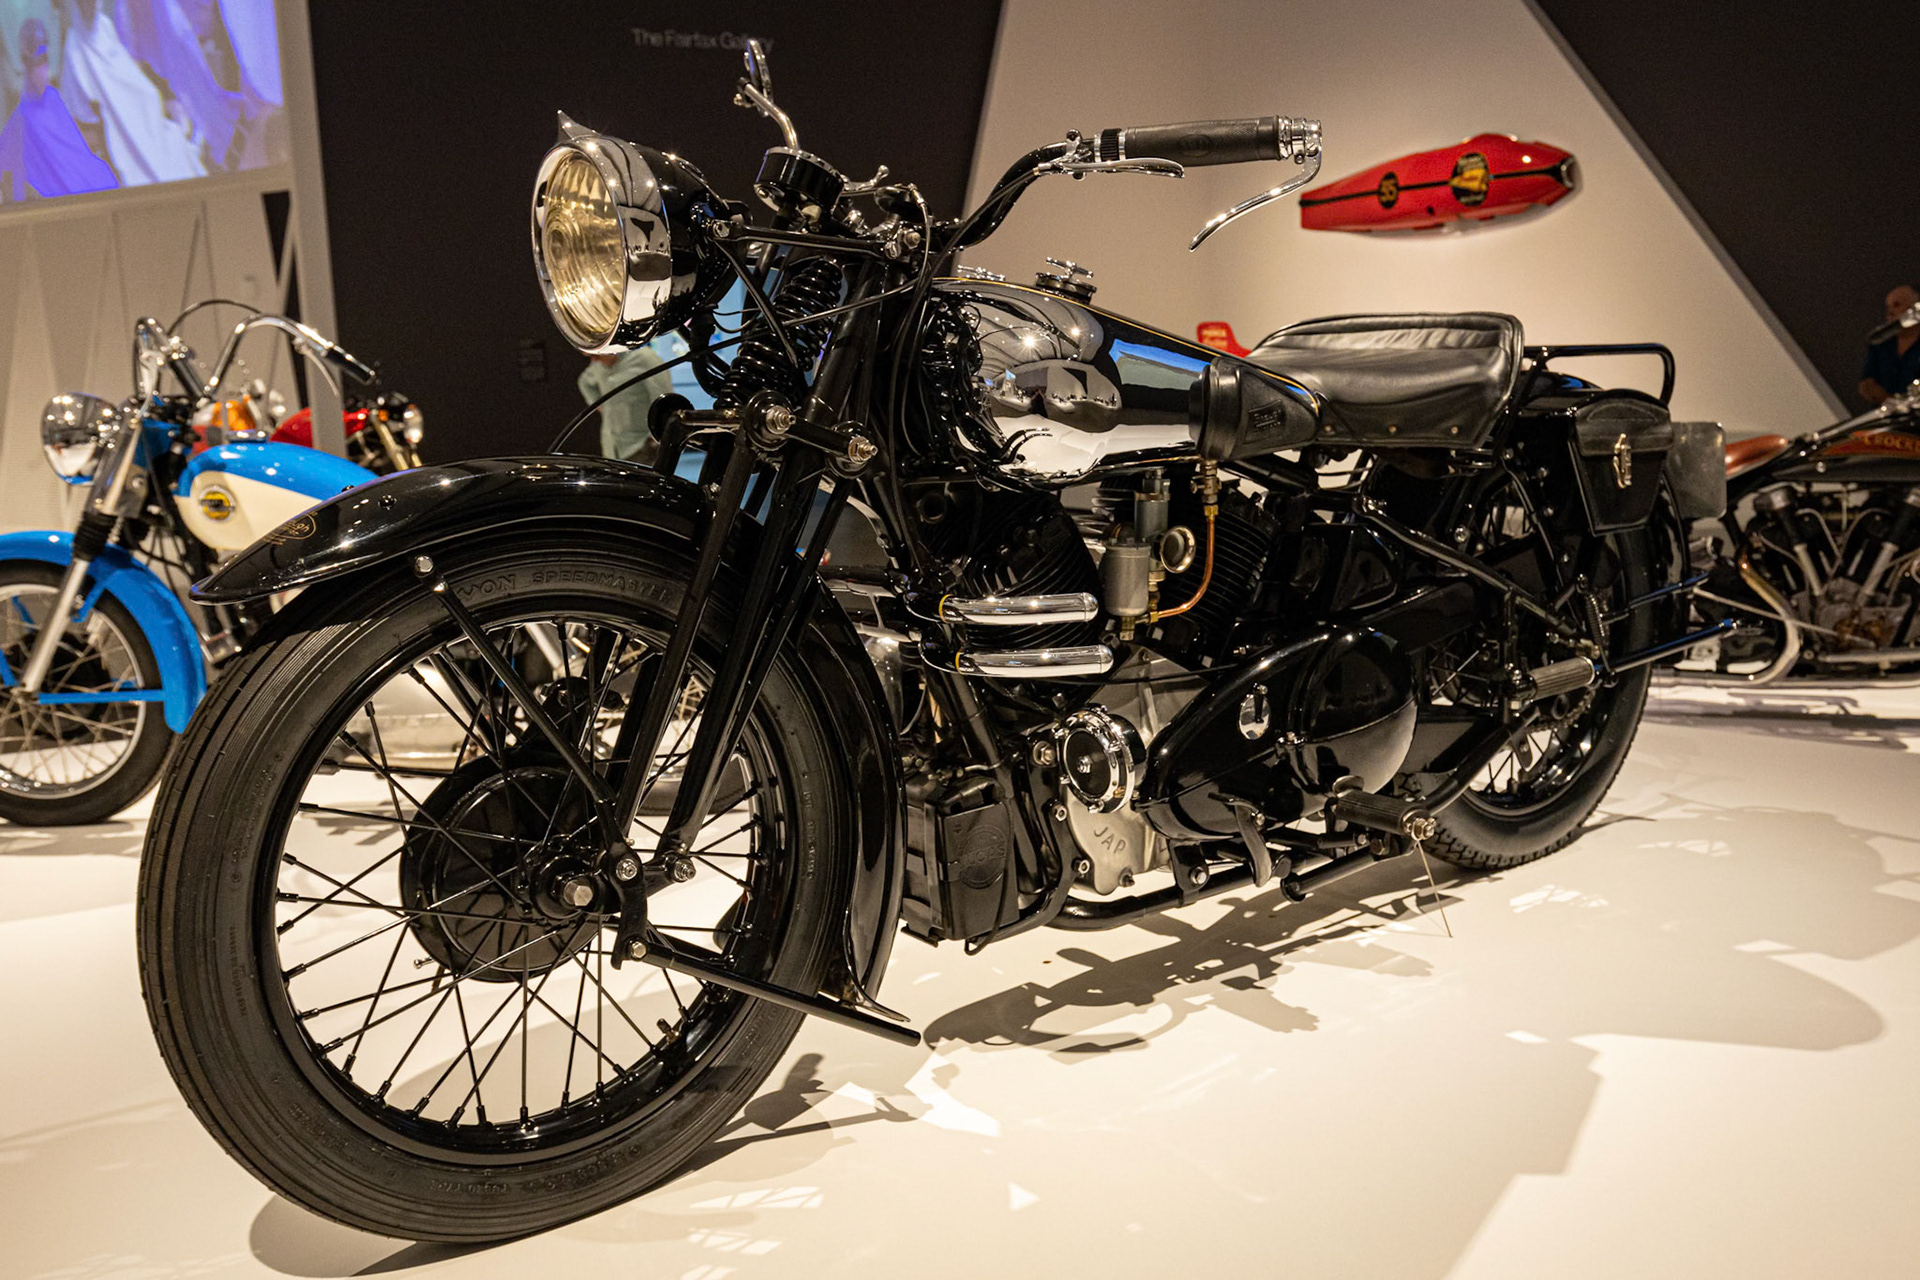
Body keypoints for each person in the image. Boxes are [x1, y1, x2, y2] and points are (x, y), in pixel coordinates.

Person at [0, 15, 116, 199]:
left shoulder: (53, 98)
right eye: (35, 63)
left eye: (44, 60)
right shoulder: (23, 118)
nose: (41, 71)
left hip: (82, 178)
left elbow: (75, 149)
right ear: (25, 62)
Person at [576, 344, 669, 462]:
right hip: (611, 448)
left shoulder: (645, 358)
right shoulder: (598, 364)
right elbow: (584, 382)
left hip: (641, 446)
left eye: (596, 356)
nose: (594, 360)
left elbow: (664, 399)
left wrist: (654, 440)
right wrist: (598, 405)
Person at [1859, 284, 1920, 407]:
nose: (1890, 312)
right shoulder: (1881, 342)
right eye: (1888, 307)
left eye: (1897, 305)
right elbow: (1866, 383)